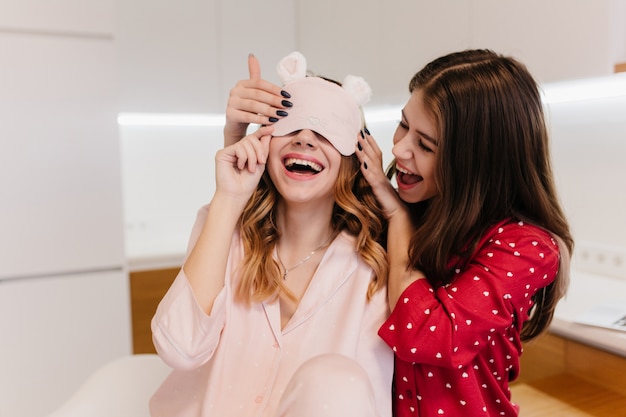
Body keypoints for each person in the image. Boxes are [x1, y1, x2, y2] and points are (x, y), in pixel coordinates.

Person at [149, 51, 393, 417]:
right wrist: (229, 197)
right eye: (290, 125)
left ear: (353, 156)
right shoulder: (223, 225)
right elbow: (179, 348)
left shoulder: (375, 263)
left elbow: (358, 401)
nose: (306, 139)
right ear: (266, 138)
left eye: (327, 130)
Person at [354, 49, 574, 416]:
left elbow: (429, 333)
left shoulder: (527, 248)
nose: (398, 148)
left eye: (425, 145)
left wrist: (398, 220)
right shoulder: (411, 207)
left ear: (477, 164)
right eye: (403, 124)